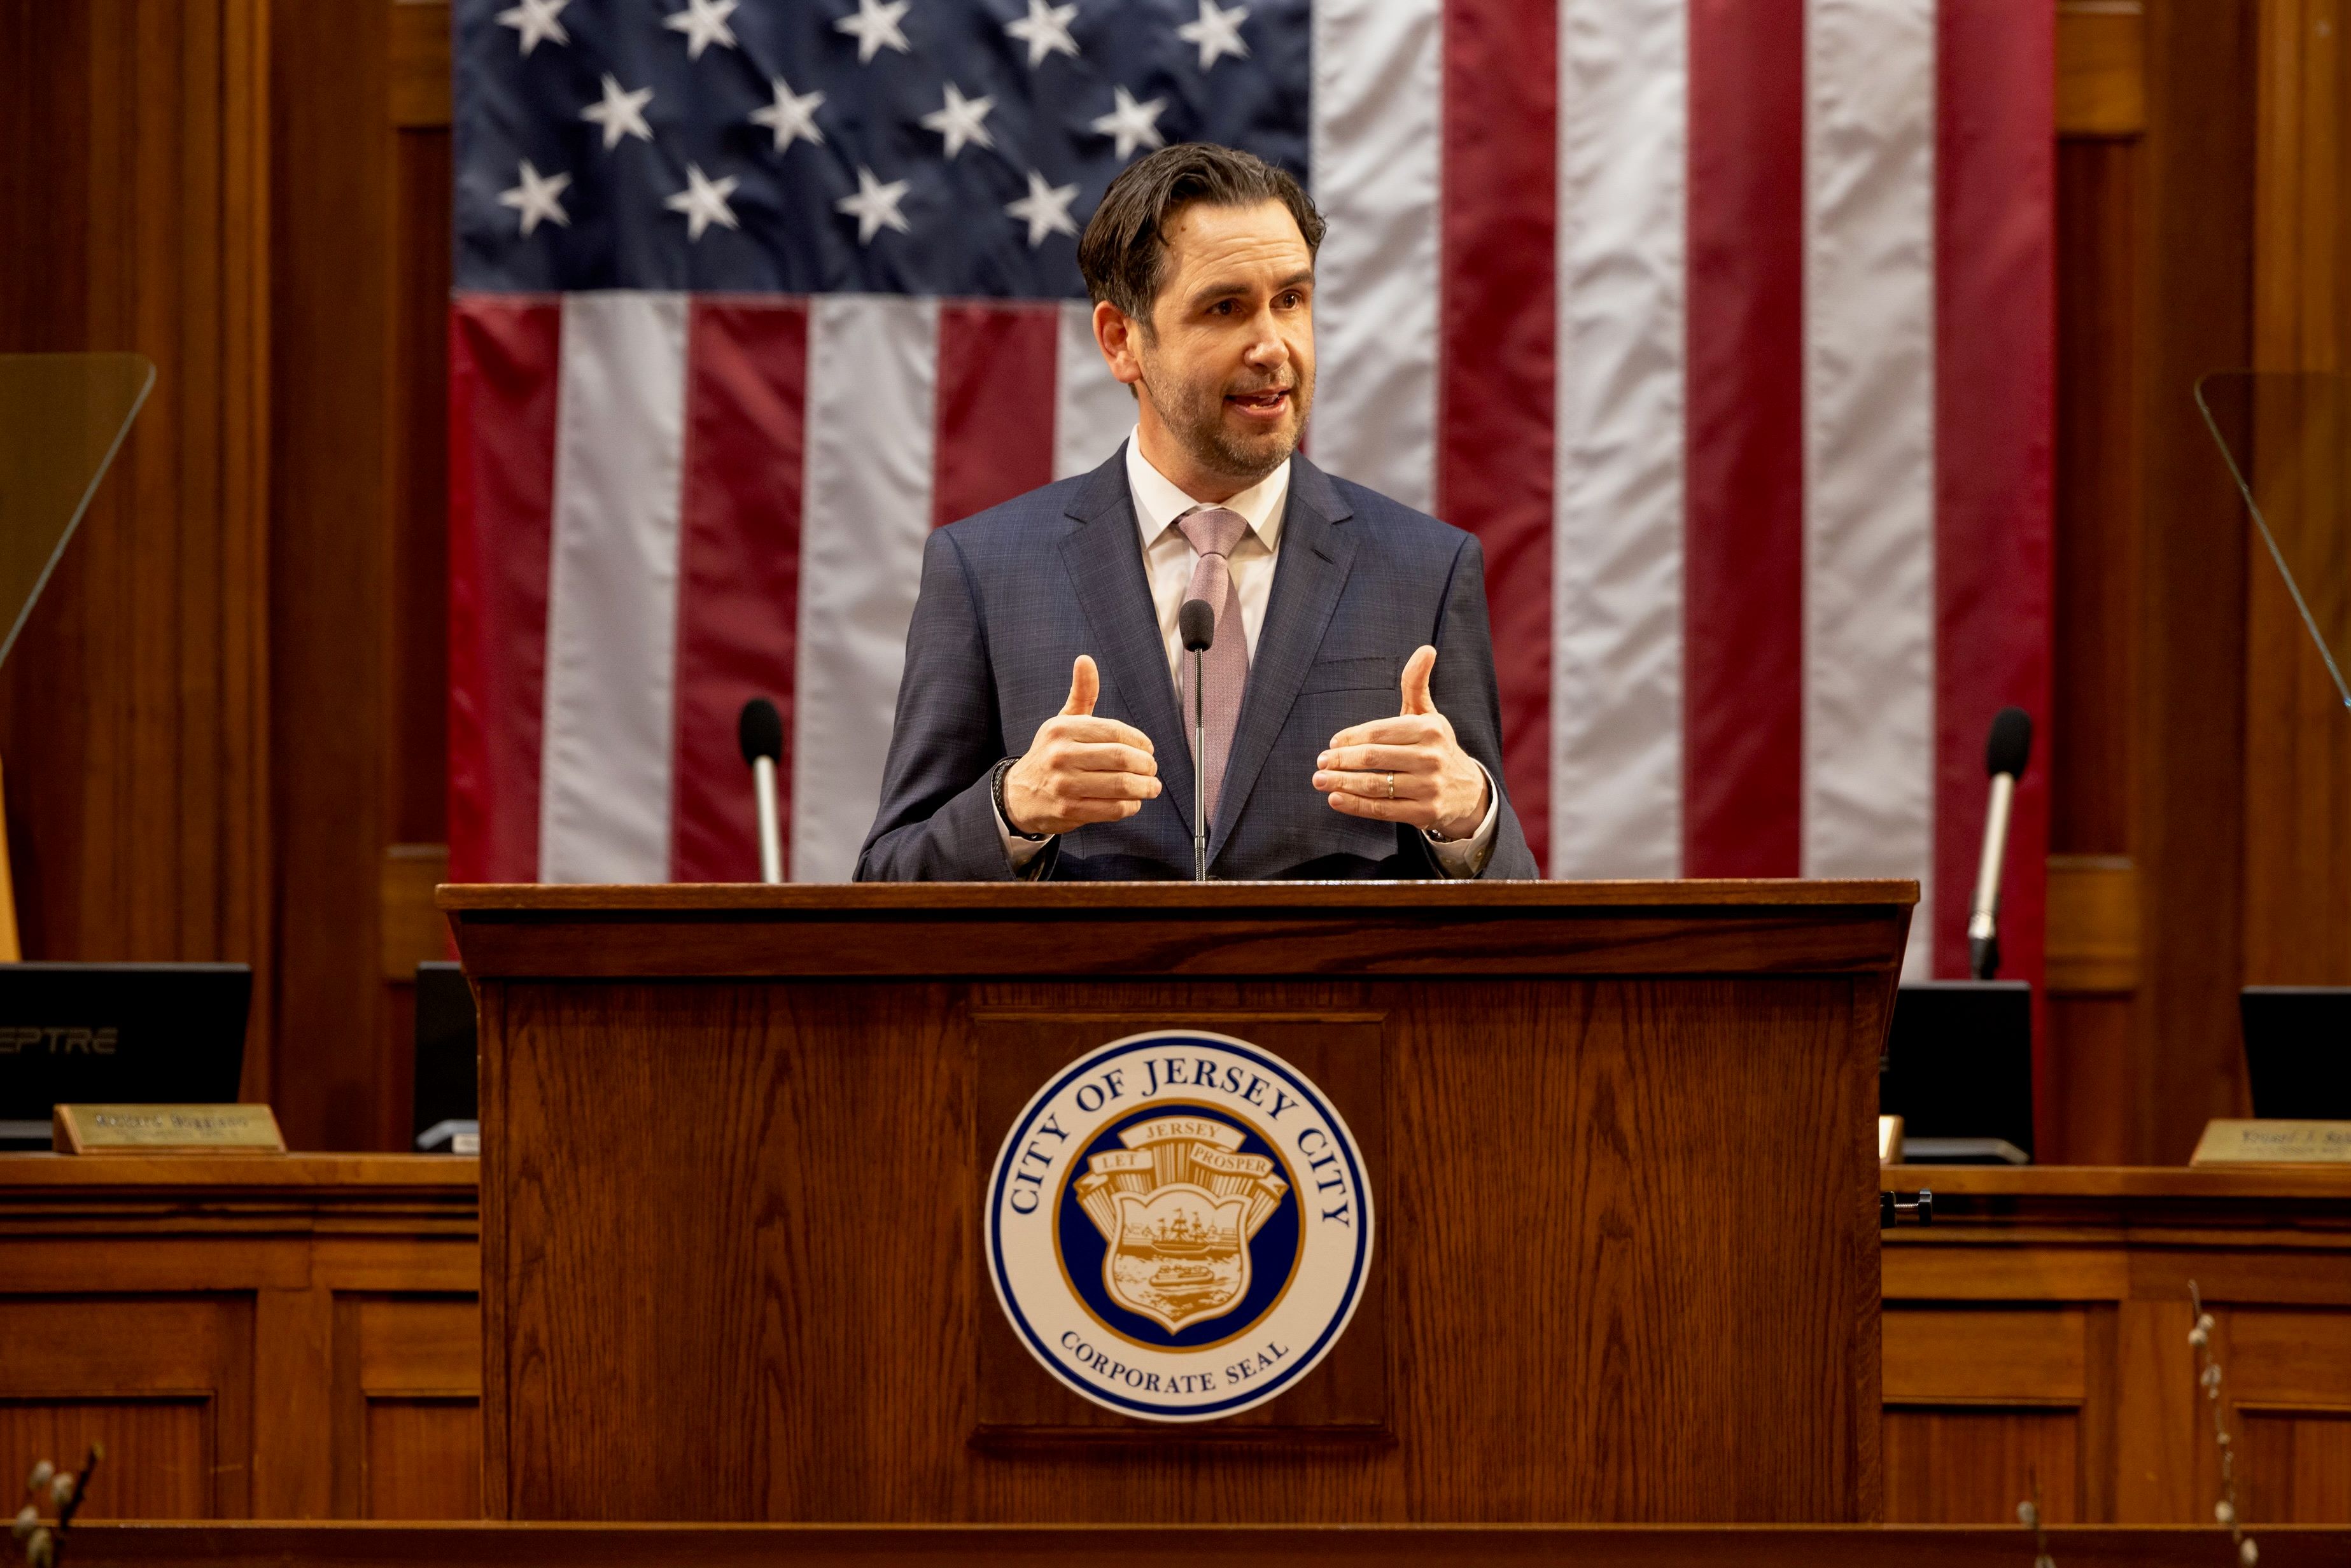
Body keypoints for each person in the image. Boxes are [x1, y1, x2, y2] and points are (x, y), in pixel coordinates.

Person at [856, 143, 1538, 882]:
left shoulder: (1424, 572)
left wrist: (1467, 817)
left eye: (1291, 299)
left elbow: (1509, 907)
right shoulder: (985, 571)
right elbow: (888, 883)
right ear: (1122, 341)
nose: (1273, 346)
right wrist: (1011, 810)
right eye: (1225, 308)